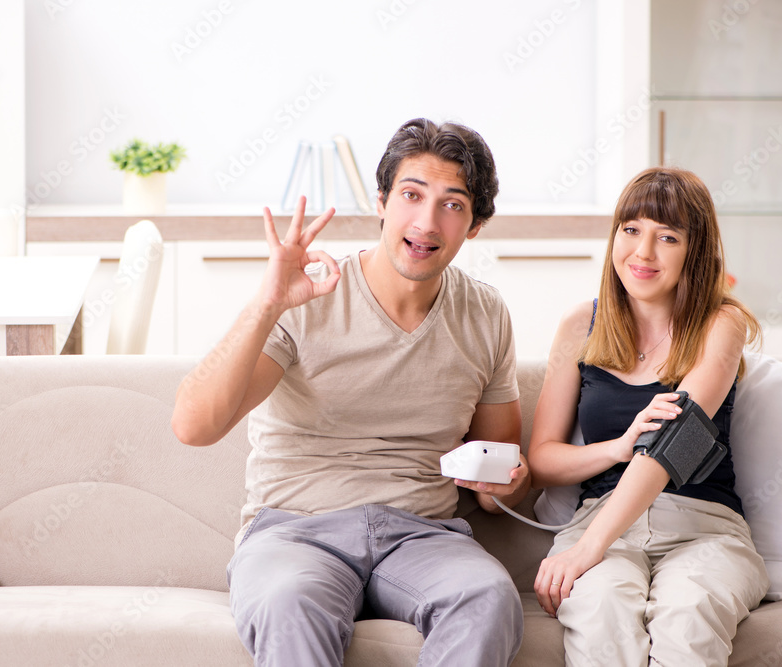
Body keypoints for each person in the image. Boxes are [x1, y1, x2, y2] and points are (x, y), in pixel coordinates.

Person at [171, 118, 530, 666]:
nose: (426, 221)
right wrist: (267, 303)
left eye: (453, 205)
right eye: (411, 195)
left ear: (474, 225)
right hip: (296, 532)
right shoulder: (309, 296)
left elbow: (496, 489)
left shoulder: (484, 313)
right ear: (382, 201)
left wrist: (507, 483)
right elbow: (193, 426)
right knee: (288, 601)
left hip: (421, 536)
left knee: (487, 597)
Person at [528, 166, 769, 666]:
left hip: (703, 527)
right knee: (599, 616)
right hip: (601, 516)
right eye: (631, 230)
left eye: (667, 237)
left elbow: (675, 442)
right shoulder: (581, 325)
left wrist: (587, 548)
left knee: (690, 615)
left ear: (694, 251)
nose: (643, 252)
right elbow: (544, 460)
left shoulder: (720, 324)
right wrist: (618, 448)